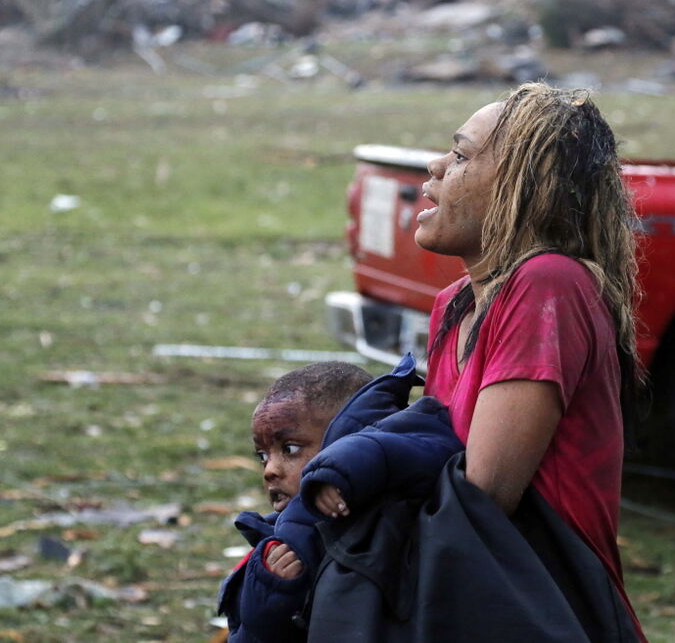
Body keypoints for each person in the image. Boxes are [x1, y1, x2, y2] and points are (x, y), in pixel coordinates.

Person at [415, 82, 646, 640]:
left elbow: (483, 493)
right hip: (473, 601)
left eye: (463, 155)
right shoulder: (457, 303)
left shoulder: (548, 284)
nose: (436, 165)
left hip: (546, 609)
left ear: (526, 188)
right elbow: (432, 454)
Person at [218, 356, 462, 643]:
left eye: (291, 448)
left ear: (344, 435)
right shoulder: (276, 540)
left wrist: (338, 467)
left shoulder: (395, 474)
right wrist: (273, 588)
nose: (270, 469)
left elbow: (428, 446)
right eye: (262, 456)